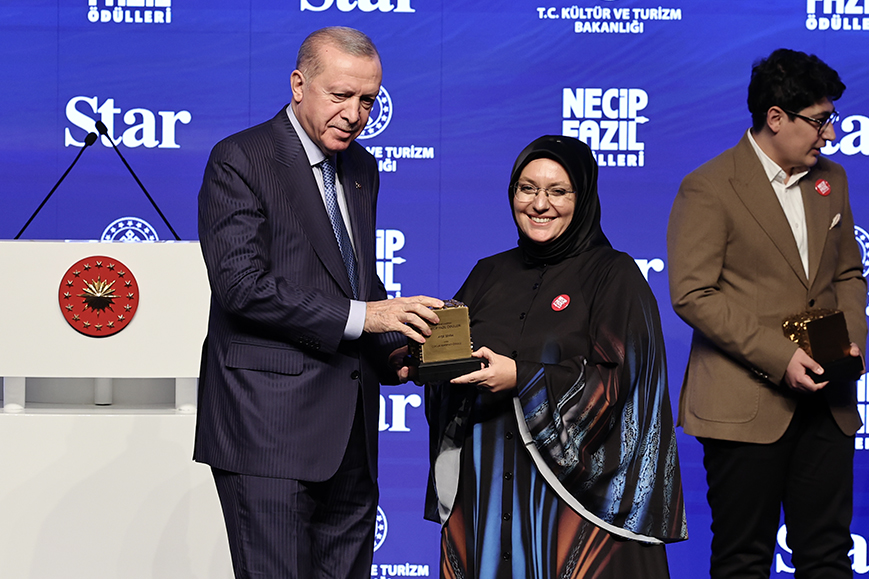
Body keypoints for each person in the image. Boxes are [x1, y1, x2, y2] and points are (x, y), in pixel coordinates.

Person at [193, 26, 443, 579]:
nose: (355, 115)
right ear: (298, 84)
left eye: (368, 100)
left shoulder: (361, 168)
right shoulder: (240, 159)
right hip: (267, 430)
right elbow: (241, 285)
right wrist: (367, 316)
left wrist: (393, 349)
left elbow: (353, 279)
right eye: (341, 95)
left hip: (351, 433)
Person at [425, 135, 688, 579]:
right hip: (487, 490)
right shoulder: (488, 273)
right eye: (527, 188)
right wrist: (422, 361)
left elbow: (622, 384)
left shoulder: (615, 275)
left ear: (582, 198)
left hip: (577, 509)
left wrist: (521, 378)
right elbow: (452, 358)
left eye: (558, 191)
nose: (540, 204)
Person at [667, 48, 866, 579]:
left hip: (828, 402)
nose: (829, 134)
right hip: (743, 405)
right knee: (743, 561)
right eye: (819, 121)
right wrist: (782, 359)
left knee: (828, 558)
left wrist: (850, 348)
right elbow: (692, 293)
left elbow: (849, 274)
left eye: (831, 119)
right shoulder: (709, 186)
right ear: (776, 117)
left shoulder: (833, 180)